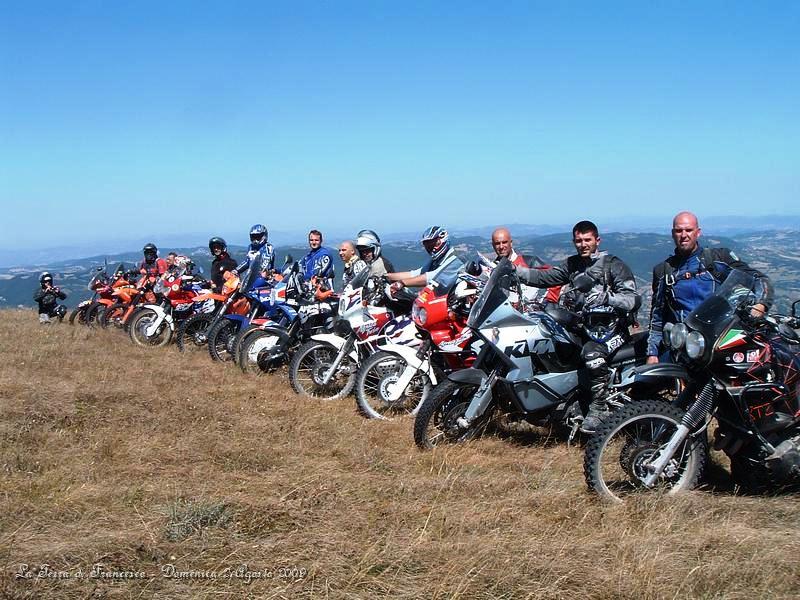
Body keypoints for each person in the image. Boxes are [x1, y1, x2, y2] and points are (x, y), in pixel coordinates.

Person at [513, 220, 639, 433]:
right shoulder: (573, 265)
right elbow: (546, 277)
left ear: (597, 240)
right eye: (579, 240)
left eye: (587, 240)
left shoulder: (613, 265)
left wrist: (606, 298)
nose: (583, 244)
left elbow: (633, 299)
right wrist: (515, 271)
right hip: (584, 327)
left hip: (611, 330)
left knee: (592, 355)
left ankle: (599, 408)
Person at [647, 211, 773, 364]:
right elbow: (657, 316)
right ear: (673, 234)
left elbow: (758, 279)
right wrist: (652, 353)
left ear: (698, 233)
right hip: (686, 347)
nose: (684, 235)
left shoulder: (718, 259)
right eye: (679, 230)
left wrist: (762, 304)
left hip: (721, 342)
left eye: (689, 230)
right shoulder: (663, 271)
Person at [491, 226, 560, 306]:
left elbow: (555, 277)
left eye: (504, 242)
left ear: (511, 243)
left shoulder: (530, 262)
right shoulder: (492, 268)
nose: (501, 246)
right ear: (493, 245)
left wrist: (548, 302)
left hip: (529, 314)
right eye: (497, 243)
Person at [387, 226, 464, 291]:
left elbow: (430, 277)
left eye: (435, 244)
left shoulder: (455, 259)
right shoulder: (436, 260)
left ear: (443, 240)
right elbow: (415, 274)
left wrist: (402, 283)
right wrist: (386, 276)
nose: (432, 248)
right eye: (428, 246)